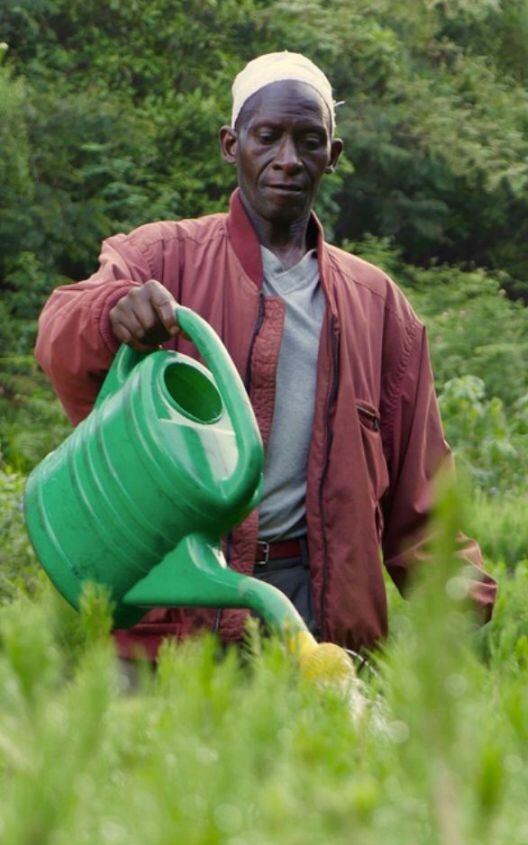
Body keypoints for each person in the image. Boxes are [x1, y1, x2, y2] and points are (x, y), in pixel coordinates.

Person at [34, 52, 497, 659]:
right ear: (232, 145)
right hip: (174, 614)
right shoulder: (160, 257)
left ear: (332, 156)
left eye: (309, 141)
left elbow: (419, 478)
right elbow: (60, 332)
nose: (287, 159)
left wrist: (455, 593)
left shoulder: (377, 306)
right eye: (267, 136)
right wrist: (111, 312)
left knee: (318, 754)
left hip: (319, 619)